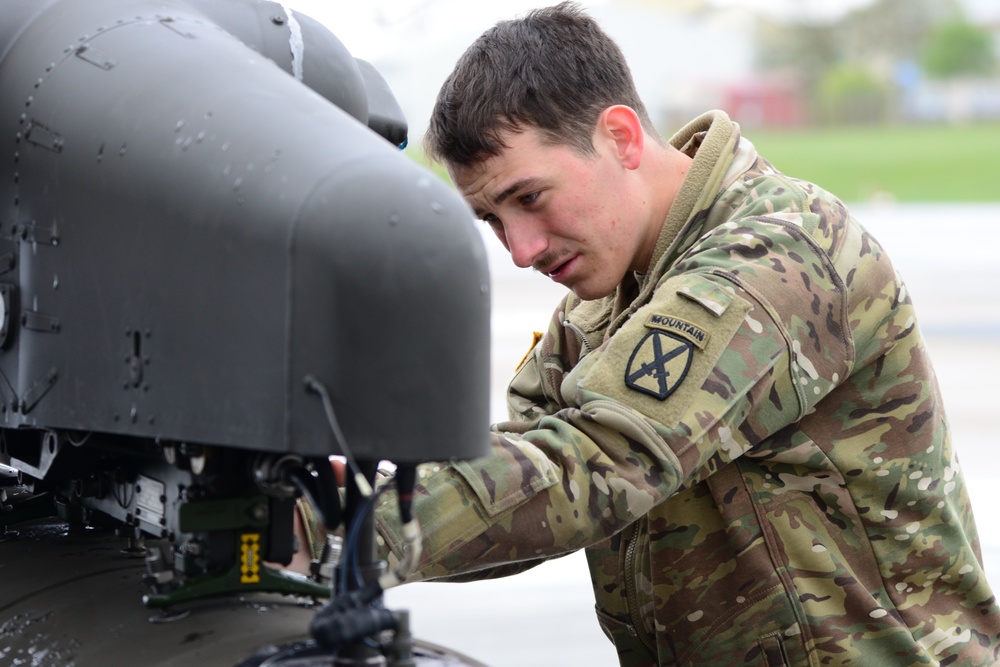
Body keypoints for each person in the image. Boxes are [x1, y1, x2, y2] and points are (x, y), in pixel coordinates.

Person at [366, 3, 1000, 665]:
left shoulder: (779, 251)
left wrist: (341, 532)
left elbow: (597, 460)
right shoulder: (597, 304)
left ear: (621, 137)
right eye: (490, 219)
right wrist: (344, 489)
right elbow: (521, 492)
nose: (520, 250)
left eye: (529, 197)